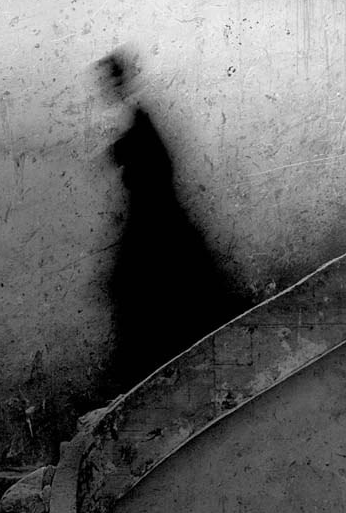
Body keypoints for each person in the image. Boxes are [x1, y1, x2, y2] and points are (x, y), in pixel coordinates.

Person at [96, 48, 245, 389]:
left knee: (153, 296)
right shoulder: (133, 118)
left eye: (111, 79)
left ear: (120, 79)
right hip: (151, 218)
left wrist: (126, 159)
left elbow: (159, 168)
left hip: (155, 220)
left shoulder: (138, 118)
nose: (107, 88)